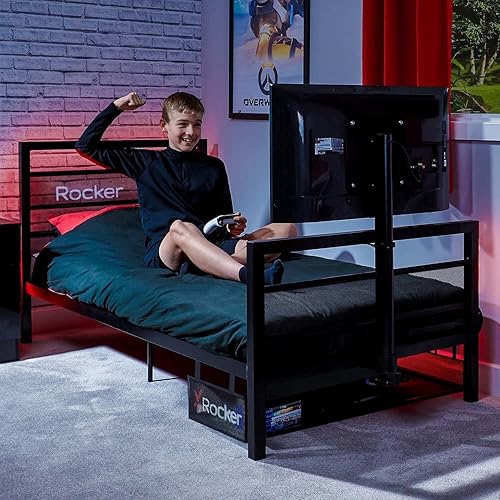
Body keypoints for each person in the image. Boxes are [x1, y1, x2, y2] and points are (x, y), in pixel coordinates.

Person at [75, 91, 297, 284]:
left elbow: (222, 217)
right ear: (164, 127)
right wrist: (117, 107)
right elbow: (86, 146)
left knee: (286, 229)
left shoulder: (214, 166)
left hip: (212, 242)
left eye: (197, 124)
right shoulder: (145, 163)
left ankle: (207, 264)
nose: (191, 132)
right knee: (181, 227)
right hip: (169, 248)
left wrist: (232, 226)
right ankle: (249, 276)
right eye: (182, 124)